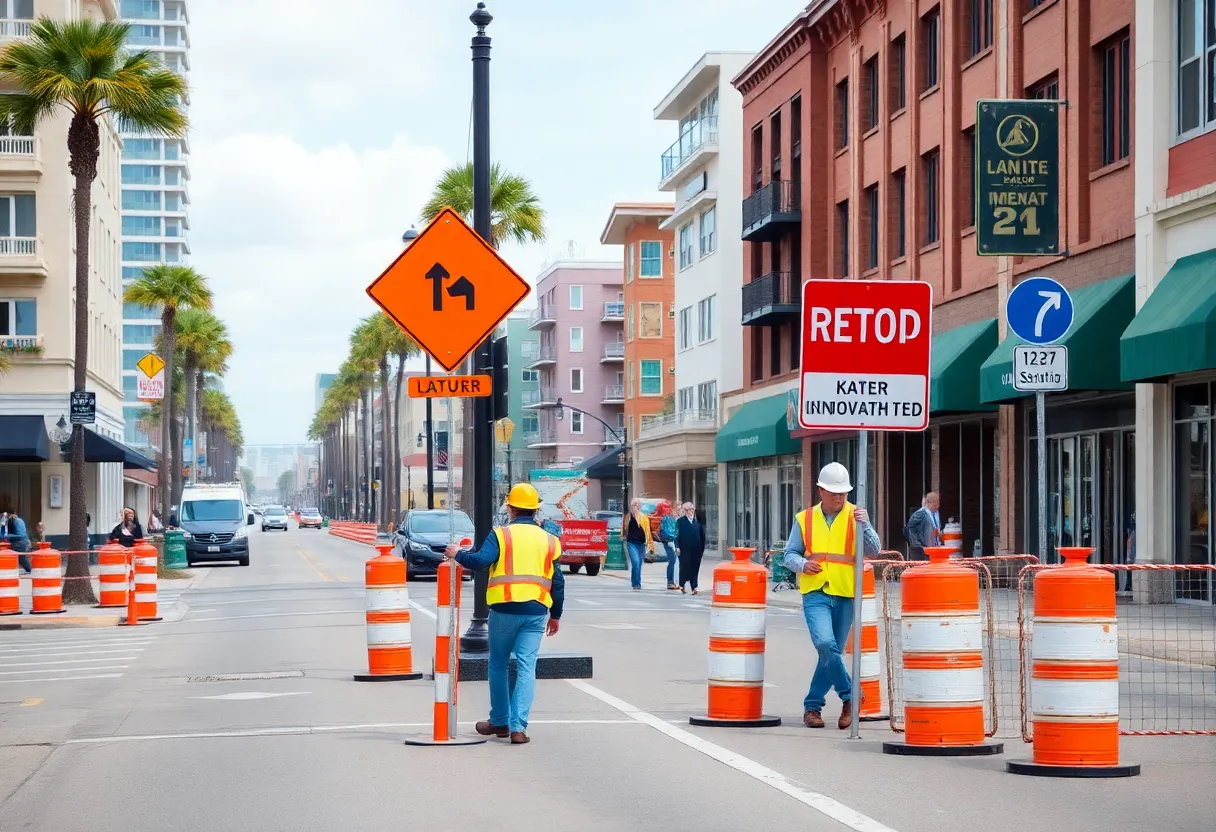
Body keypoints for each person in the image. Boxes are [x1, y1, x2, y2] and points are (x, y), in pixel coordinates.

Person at [443, 482, 564, 745]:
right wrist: (556, 615)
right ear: (535, 511)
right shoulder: (549, 540)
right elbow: (558, 581)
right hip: (536, 612)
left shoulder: (501, 535)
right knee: (526, 667)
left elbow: (480, 562)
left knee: (498, 665)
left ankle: (500, 722)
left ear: (510, 508)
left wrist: (457, 553)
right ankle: (518, 728)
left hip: (504, 611)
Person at [783, 462, 882, 731]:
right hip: (815, 592)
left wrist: (867, 525)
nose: (838, 497)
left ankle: (812, 706)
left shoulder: (855, 516)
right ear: (820, 491)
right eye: (833, 492)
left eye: (843, 493)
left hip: (845, 592)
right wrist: (803, 565)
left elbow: (874, 551)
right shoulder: (804, 518)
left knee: (831, 653)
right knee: (826, 644)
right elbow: (789, 554)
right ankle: (851, 696)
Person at [622, 498, 653, 591]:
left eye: (638, 504)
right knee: (635, 562)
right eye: (634, 504)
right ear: (631, 506)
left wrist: (650, 545)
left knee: (639, 564)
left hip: (642, 544)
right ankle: (637, 583)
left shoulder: (644, 517)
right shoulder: (628, 517)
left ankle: (635, 581)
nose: (636, 506)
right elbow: (623, 528)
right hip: (631, 543)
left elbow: (648, 531)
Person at [676, 502, 706, 594]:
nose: (690, 512)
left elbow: (702, 535)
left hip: (696, 549)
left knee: (695, 567)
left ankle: (694, 587)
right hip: (684, 549)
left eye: (692, 509)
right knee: (685, 566)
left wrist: (702, 549)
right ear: (684, 511)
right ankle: (682, 584)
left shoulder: (698, 521)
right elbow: (676, 535)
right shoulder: (680, 521)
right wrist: (677, 546)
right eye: (687, 510)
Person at [904, 492, 941, 561]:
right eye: (936, 502)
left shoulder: (934, 514)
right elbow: (909, 529)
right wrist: (918, 546)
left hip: (930, 551)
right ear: (930, 502)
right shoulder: (920, 514)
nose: (938, 504)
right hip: (921, 552)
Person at [659, 502, 679, 590]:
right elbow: (667, 531)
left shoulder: (676, 519)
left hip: (675, 542)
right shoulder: (666, 519)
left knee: (674, 562)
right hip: (669, 542)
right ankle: (670, 582)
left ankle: (674, 582)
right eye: (677, 508)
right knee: (672, 561)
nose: (678, 511)